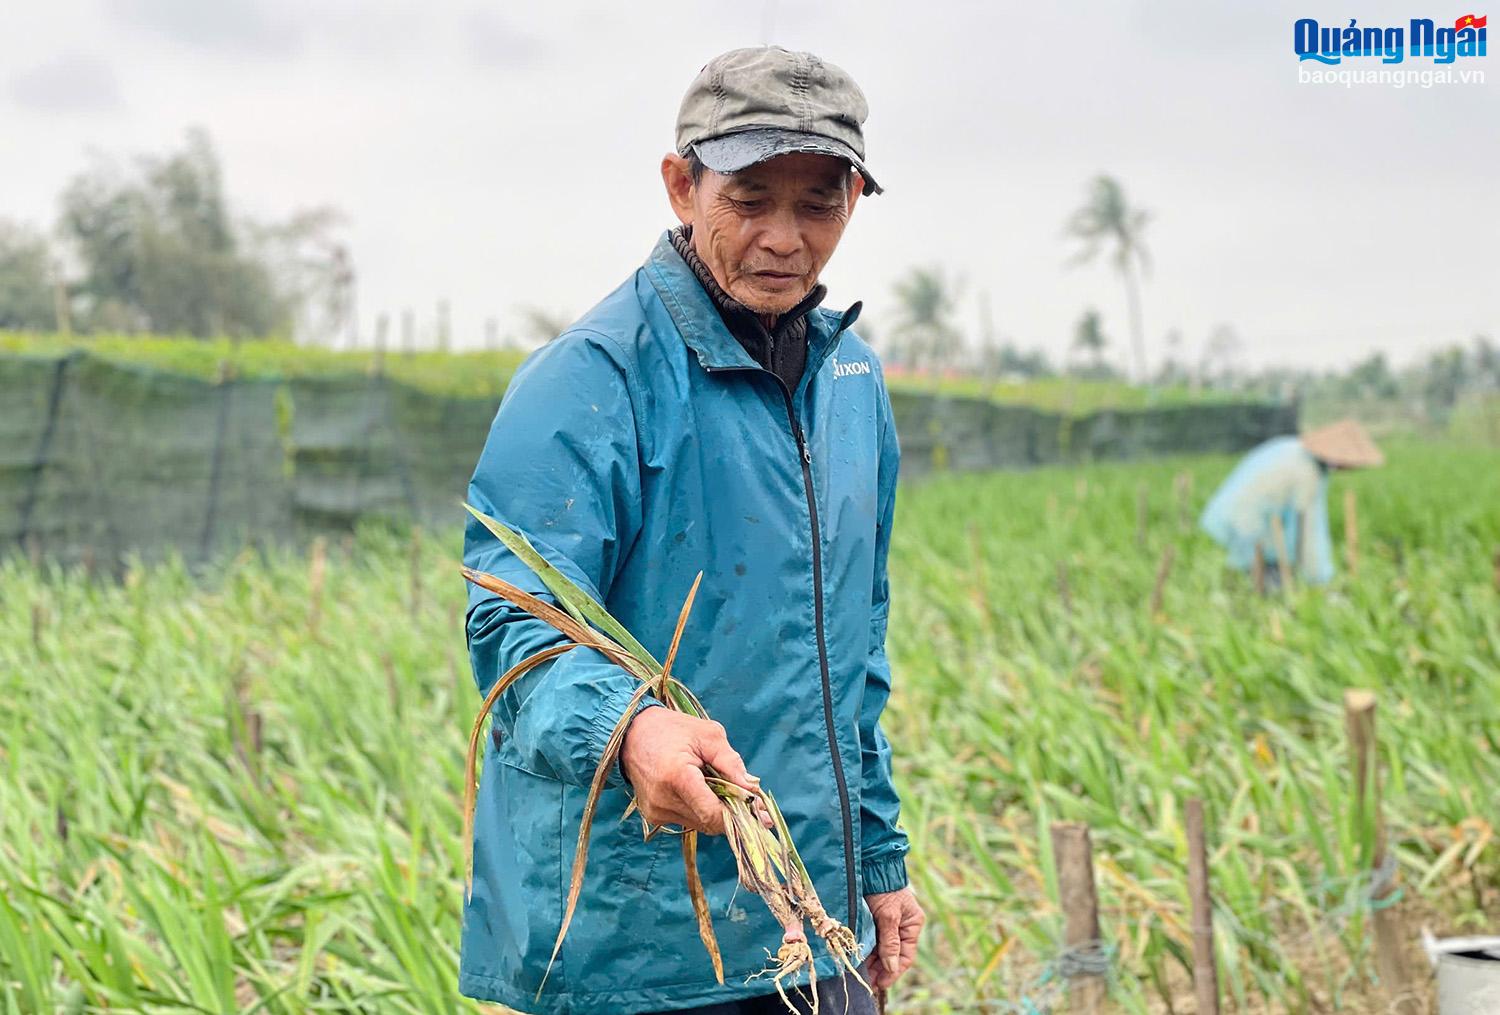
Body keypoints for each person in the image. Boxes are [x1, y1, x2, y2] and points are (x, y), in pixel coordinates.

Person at [460, 46, 923, 1015]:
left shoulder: (853, 385)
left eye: (819, 204)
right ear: (682, 185)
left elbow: (853, 651)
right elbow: (514, 620)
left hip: (812, 919)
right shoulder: (591, 378)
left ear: (853, 201)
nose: (784, 238)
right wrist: (629, 726)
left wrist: (876, 858)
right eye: (749, 200)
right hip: (634, 940)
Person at [1199, 419, 1383, 586]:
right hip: (1249, 519)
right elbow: (1308, 529)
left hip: (1237, 512)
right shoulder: (1308, 472)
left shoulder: (1290, 447)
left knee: (1257, 572)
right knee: (1266, 580)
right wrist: (1317, 578)